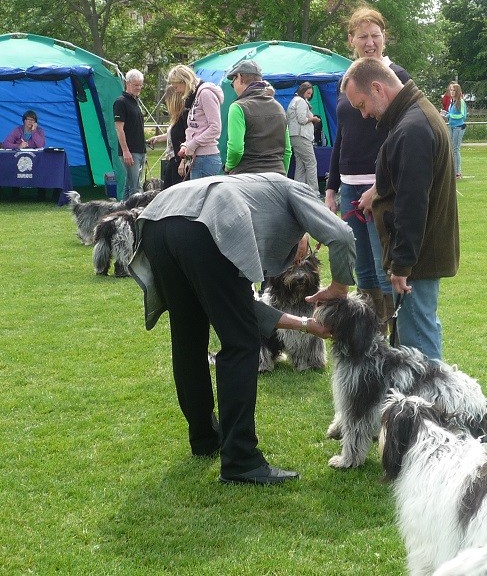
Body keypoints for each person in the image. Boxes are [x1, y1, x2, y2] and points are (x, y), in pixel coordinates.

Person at [129, 173, 356, 485]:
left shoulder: (256, 202)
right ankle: (240, 460)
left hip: (157, 221)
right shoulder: (295, 190)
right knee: (242, 344)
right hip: (203, 223)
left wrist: (305, 324)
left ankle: (205, 438)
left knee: (188, 336)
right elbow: (342, 235)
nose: (295, 259)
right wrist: (340, 289)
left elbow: (241, 306)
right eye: (297, 253)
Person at [341, 58, 459, 361]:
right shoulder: (411, 118)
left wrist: (402, 264)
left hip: (417, 258)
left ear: (378, 88)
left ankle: (432, 408)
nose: (364, 114)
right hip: (418, 254)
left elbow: (413, 202)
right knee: (416, 333)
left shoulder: (413, 127)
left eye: (362, 105)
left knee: (418, 344)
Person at [324, 7, 411, 331]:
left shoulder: (396, 77)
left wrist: (379, 188)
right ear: (352, 40)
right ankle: (370, 338)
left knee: (382, 264)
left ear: (384, 38)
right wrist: (332, 188)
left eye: (375, 35)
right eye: (363, 36)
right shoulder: (345, 81)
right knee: (362, 270)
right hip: (349, 188)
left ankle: (395, 339)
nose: (370, 42)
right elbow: (341, 136)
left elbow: (402, 138)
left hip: (381, 189)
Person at [224, 60, 291, 175]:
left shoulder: (238, 107)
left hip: (246, 176)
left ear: (240, 77)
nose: (233, 86)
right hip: (277, 175)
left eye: (233, 81)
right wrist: (282, 174)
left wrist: (228, 167)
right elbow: (287, 151)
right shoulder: (278, 107)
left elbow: (236, 149)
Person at [169, 64, 223, 180]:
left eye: (176, 87)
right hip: (197, 157)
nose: (176, 91)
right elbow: (196, 128)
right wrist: (186, 145)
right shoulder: (194, 97)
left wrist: (193, 144)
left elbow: (215, 127)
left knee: (202, 198)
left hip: (206, 158)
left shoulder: (205, 94)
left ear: (184, 81)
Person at [114, 69, 147, 198]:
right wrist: (125, 151)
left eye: (140, 85)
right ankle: (136, 214)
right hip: (130, 151)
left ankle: (122, 212)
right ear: (127, 83)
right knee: (136, 187)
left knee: (129, 185)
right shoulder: (120, 102)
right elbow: (119, 128)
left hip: (140, 149)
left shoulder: (136, 102)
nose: (138, 88)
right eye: (135, 85)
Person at [147, 86, 188, 189]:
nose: (165, 101)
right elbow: (173, 135)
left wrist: (183, 161)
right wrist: (158, 138)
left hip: (179, 162)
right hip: (171, 160)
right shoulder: (175, 117)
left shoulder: (184, 116)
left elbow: (187, 138)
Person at [286, 82, 321, 191]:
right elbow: (302, 120)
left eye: (311, 94)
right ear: (302, 91)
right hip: (302, 135)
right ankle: (314, 191)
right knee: (311, 163)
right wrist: (314, 119)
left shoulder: (294, 100)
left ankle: (298, 190)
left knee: (300, 164)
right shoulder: (301, 101)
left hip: (294, 135)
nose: (309, 96)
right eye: (308, 93)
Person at [444, 82, 467, 179]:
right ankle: (453, 170)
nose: (452, 92)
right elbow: (450, 113)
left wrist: (450, 115)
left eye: (453, 90)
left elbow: (462, 115)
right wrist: (445, 114)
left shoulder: (460, 102)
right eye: (450, 90)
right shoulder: (451, 102)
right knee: (452, 149)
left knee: (456, 149)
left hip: (459, 127)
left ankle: (458, 172)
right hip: (452, 127)